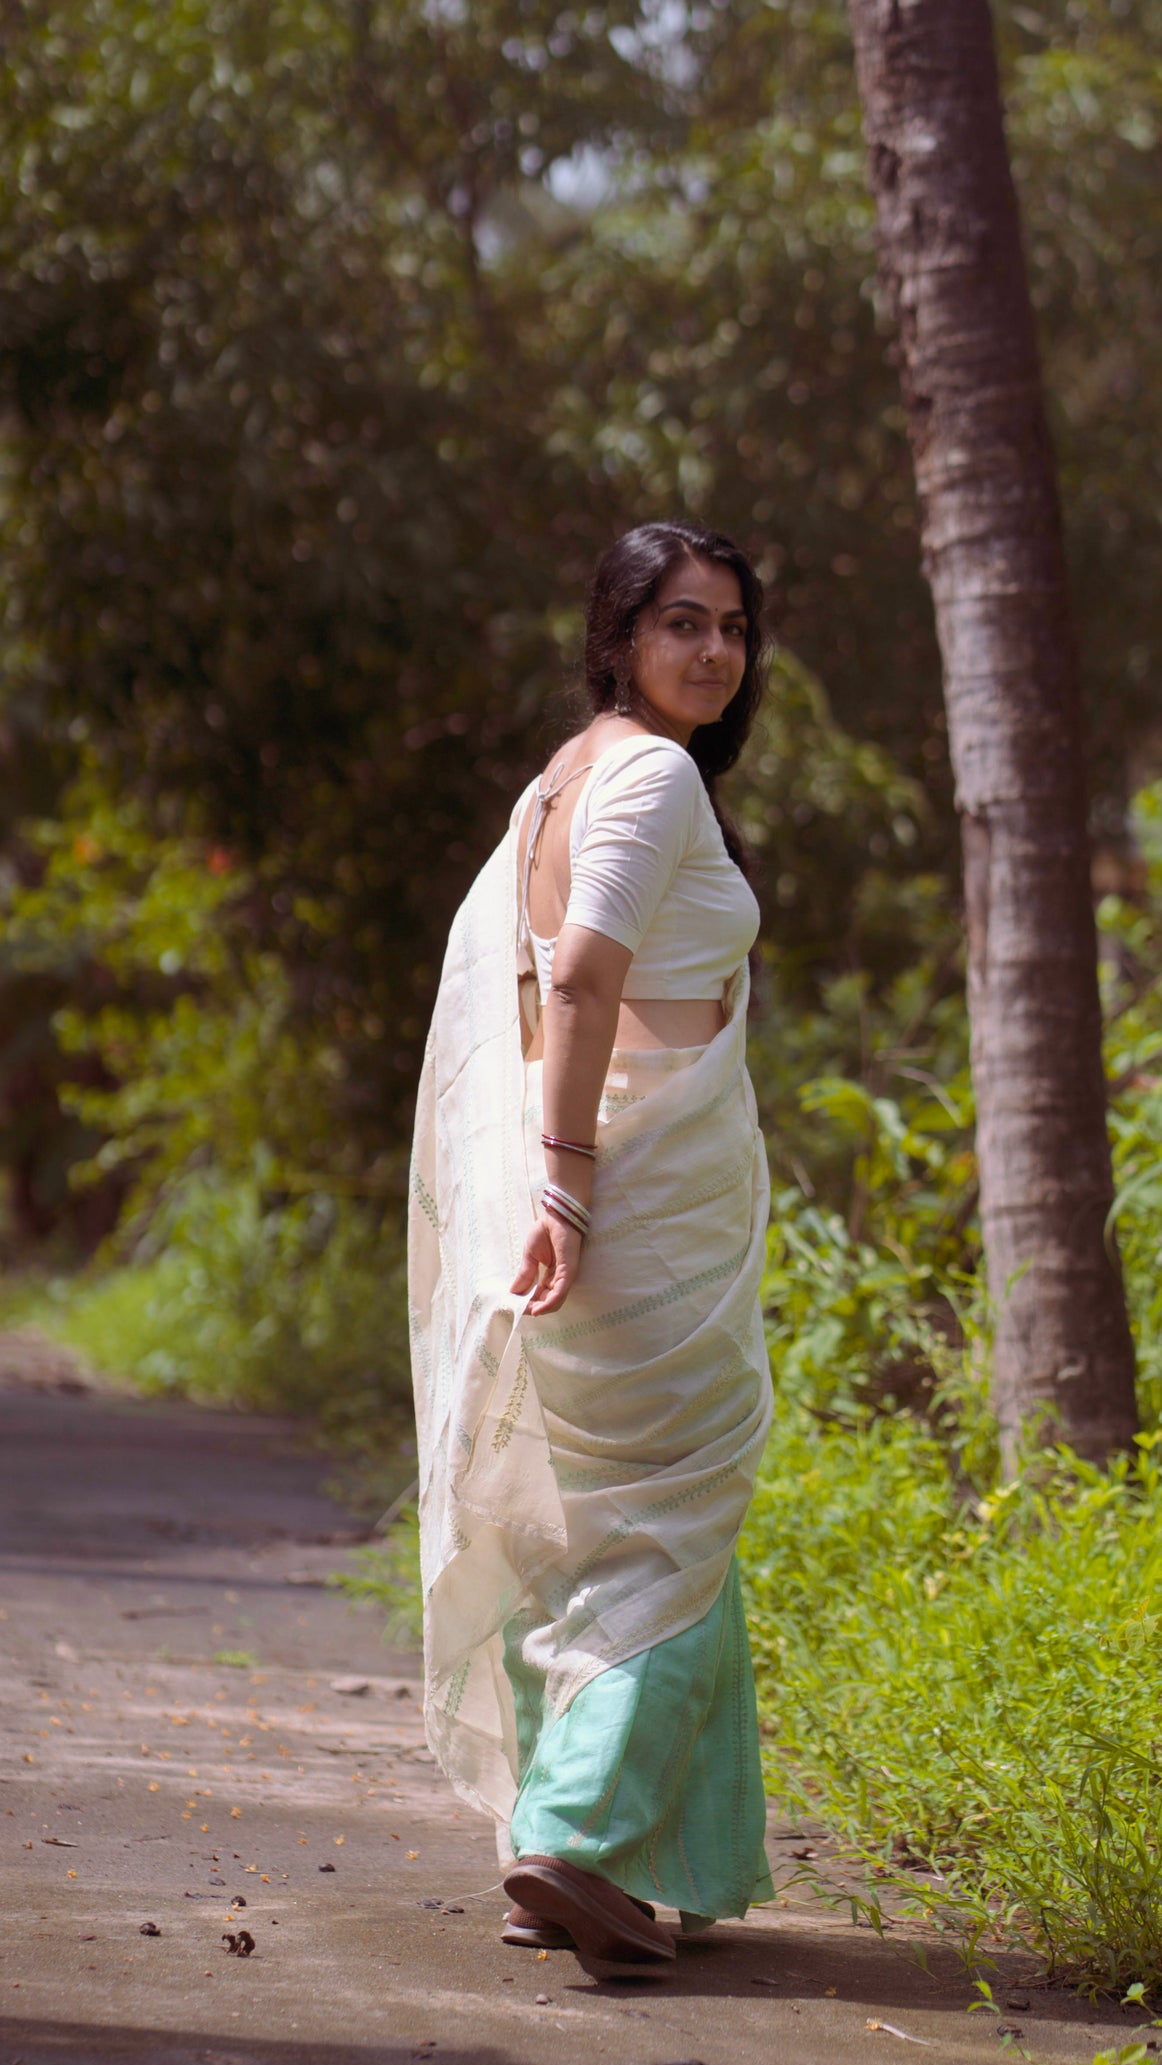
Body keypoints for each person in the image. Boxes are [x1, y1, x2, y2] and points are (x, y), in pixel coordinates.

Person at [408, 519, 776, 1980]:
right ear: (619, 632)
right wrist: (565, 1185)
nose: (713, 652)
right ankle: (573, 1833)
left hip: (618, 1180)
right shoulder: (647, 773)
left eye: (733, 628)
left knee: (613, 1519)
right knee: (671, 1516)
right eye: (682, 622)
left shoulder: (555, 780)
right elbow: (577, 976)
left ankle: (659, 1859)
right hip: (627, 1196)